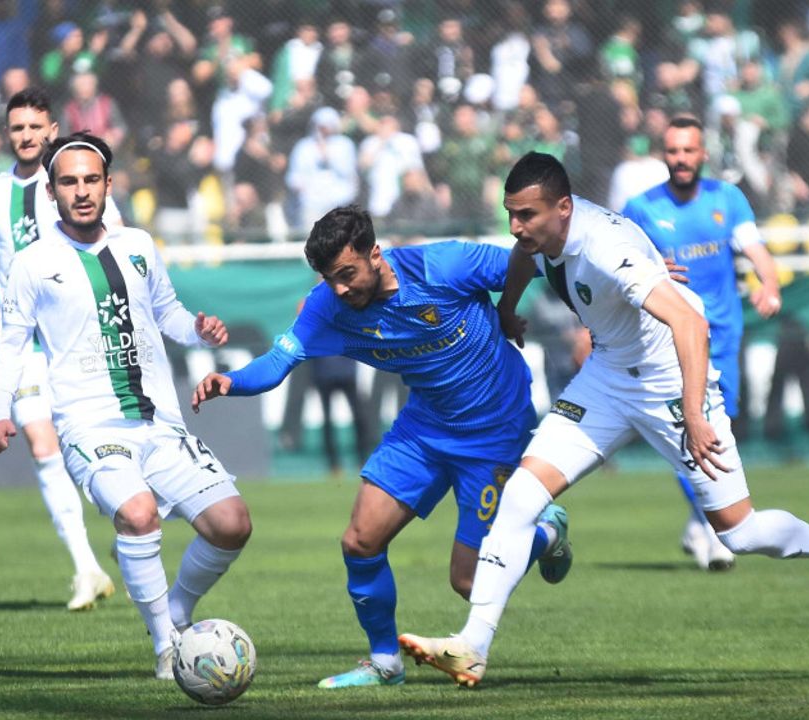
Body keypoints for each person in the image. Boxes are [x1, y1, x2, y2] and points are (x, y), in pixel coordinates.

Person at [400, 153, 809, 687]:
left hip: (670, 379)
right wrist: (507, 310)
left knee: (739, 532)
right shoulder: (543, 235)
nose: (516, 226)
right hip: (607, 378)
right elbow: (522, 258)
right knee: (521, 496)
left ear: (563, 207)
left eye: (526, 215)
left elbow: (689, 323)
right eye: (511, 213)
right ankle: (472, 646)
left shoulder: (604, 247)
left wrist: (693, 412)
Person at [191, 205, 573, 689]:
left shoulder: (443, 266)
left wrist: (611, 291)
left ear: (375, 254)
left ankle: (545, 535)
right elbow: (277, 361)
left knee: (469, 582)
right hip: (424, 426)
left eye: (347, 274)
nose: (339, 289)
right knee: (360, 541)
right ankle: (385, 661)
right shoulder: (327, 307)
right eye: (329, 279)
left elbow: (536, 257)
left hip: (493, 431)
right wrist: (231, 381)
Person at [0, 132, 251, 680]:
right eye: (68, 182)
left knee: (232, 524)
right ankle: (167, 646)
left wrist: (198, 330)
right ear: (51, 192)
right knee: (138, 513)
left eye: (91, 180)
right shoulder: (33, 263)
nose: (81, 191)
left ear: (108, 185)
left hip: (160, 421)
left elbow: (168, 313)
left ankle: (176, 609)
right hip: (90, 427)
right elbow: (10, 345)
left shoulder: (138, 245)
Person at [0, 89, 121, 612]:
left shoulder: (78, 179)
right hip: (23, 341)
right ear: (7, 134)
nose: (27, 136)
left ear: (52, 130)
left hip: (79, 336)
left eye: (35, 127)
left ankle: (130, 525)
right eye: (18, 128)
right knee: (41, 444)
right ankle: (87, 569)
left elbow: (117, 243)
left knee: (100, 442)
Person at [621, 116, 782, 571]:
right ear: (663, 155)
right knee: (688, 431)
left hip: (723, 336)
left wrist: (769, 285)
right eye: (673, 151)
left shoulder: (727, 199)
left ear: (703, 154)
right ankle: (717, 529)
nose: (681, 159)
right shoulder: (640, 208)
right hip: (670, 337)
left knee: (719, 430)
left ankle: (700, 523)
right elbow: (617, 267)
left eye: (688, 150)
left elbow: (755, 248)